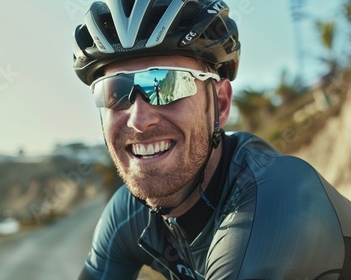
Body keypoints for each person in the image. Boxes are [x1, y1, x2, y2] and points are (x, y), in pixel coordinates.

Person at [72, 0, 351, 279]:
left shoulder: (276, 203)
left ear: (221, 103)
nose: (139, 120)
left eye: (166, 84)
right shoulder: (130, 213)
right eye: (115, 91)